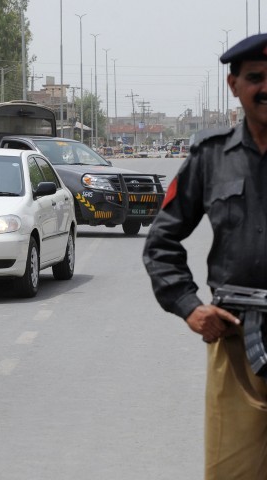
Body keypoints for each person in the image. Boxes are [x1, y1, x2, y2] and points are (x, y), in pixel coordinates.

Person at [142, 33, 267, 479]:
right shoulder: (211, 157)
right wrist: (191, 308)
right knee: (232, 472)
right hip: (237, 346)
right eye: (256, 78)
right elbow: (161, 243)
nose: (266, 87)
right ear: (234, 85)